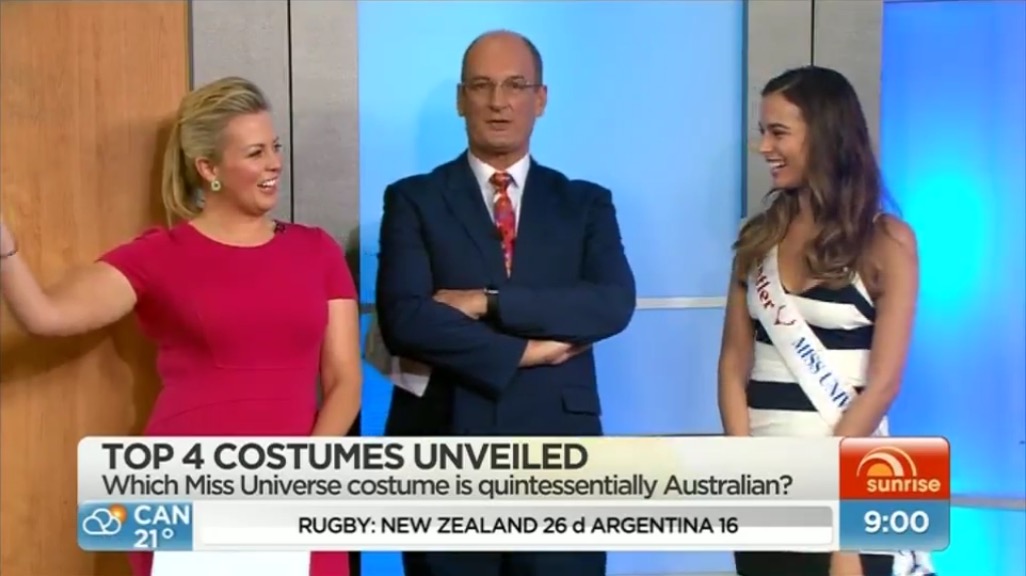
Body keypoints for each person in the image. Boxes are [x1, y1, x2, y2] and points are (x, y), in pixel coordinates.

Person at [0, 76, 360, 576]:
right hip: (181, 486)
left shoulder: (316, 250)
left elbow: (345, 381)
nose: (274, 163)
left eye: (275, 147)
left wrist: (302, 475)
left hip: (298, 488)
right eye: (255, 153)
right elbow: (44, 316)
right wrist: (5, 248)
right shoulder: (157, 256)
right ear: (208, 168)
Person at [373, 30, 636, 576]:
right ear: (460, 98)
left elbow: (610, 303)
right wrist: (526, 352)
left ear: (541, 99)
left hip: (560, 455)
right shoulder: (413, 199)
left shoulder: (584, 202)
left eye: (516, 85)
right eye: (482, 86)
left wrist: (485, 302)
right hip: (444, 447)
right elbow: (406, 319)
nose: (499, 101)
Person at [717, 66, 921, 576]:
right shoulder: (757, 240)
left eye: (778, 133)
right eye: (763, 132)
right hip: (766, 489)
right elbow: (733, 365)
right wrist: (746, 470)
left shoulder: (887, 242)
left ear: (826, 136)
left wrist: (836, 523)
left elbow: (884, 385)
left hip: (853, 485)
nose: (764, 147)